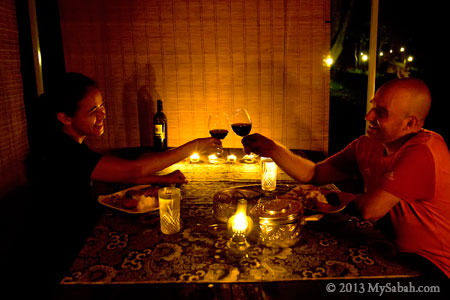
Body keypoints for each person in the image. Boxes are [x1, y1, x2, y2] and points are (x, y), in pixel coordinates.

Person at [24, 72, 222, 294]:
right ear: (65, 118)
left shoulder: (67, 144)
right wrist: (193, 146)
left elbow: (121, 173)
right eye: (92, 112)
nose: (102, 116)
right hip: (58, 250)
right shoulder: (61, 152)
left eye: (102, 106)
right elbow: (133, 169)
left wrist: (162, 179)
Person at [242, 78, 450, 280]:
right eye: (373, 107)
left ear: (410, 123)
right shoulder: (368, 144)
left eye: (381, 112)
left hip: (430, 266)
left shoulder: (423, 150)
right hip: (388, 247)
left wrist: (326, 197)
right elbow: (314, 174)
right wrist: (274, 150)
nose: (368, 116)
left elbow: (371, 209)